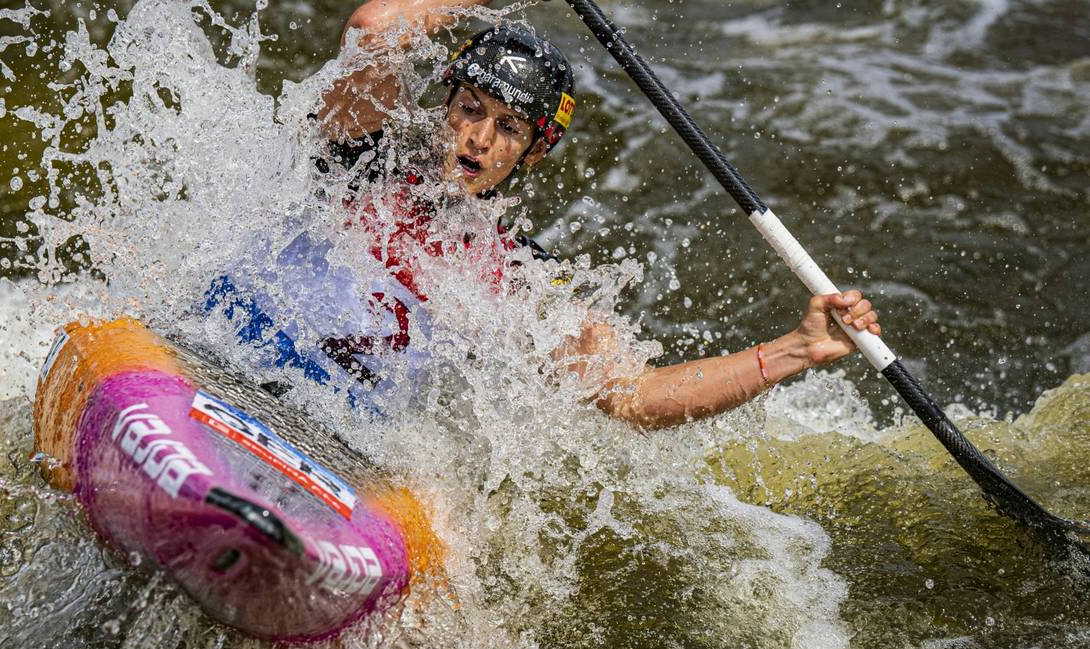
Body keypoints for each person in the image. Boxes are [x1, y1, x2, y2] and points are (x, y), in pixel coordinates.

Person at [211, 0, 882, 427]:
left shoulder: (519, 274)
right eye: (471, 109)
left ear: (531, 154)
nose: (478, 138)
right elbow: (374, 26)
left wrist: (797, 349)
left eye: (508, 127)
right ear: (446, 108)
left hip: (337, 432)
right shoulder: (360, 154)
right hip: (224, 353)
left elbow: (631, 396)